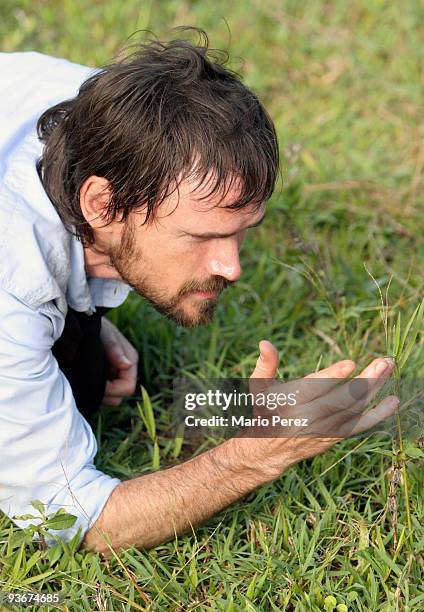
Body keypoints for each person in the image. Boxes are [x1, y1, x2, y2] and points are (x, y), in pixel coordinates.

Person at [0, 32, 398, 555]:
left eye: (242, 229)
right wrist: (256, 454)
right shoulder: (11, 290)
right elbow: (76, 518)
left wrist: (91, 306)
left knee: (86, 370)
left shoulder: (112, 110)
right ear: (101, 203)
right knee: (79, 382)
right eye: (203, 236)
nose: (231, 267)